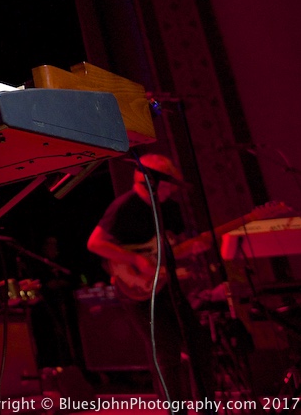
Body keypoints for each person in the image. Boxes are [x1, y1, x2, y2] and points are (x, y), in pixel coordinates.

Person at [87, 153, 214, 407]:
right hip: (137, 290)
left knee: (198, 342)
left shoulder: (170, 208)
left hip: (167, 285)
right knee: (165, 350)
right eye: (166, 184)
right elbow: (95, 243)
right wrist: (135, 260)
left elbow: (176, 247)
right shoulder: (125, 206)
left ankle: (205, 405)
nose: (169, 189)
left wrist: (194, 247)